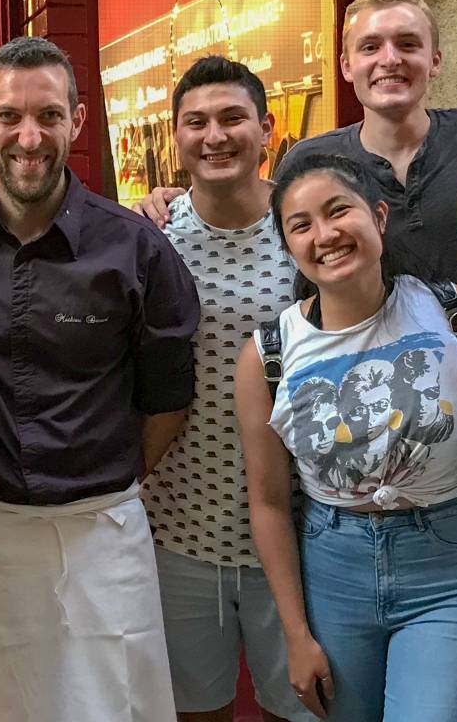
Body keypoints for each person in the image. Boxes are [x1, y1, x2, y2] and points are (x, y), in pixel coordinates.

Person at [0, 36, 199, 722]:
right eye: (10, 116)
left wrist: (111, 475)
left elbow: (167, 400)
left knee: (120, 703)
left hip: (102, 526)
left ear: (77, 121)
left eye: (48, 115)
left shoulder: (136, 248)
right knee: (1, 705)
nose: (29, 136)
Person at [234, 152, 457, 722]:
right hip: (334, 565)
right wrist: (296, 635)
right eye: (300, 225)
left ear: (378, 216)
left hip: (450, 558)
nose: (324, 235)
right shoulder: (269, 355)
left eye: (338, 212)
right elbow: (270, 503)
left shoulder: (450, 311)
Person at [142, 0, 457, 320]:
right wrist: (182, 202)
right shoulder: (310, 162)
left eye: (407, 44)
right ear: (346, 66)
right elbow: (267, 222)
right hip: (376, 386)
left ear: (435, 60)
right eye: (370, 47)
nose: (389, 59)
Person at [143, 57, 316, 722]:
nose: (215, 135)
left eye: (232, 118)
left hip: (299, 530)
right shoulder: (152, 237)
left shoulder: (306, 229)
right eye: (197, 122)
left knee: (298, 708)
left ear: (266, 128)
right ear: (177, 135)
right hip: (179, 530)